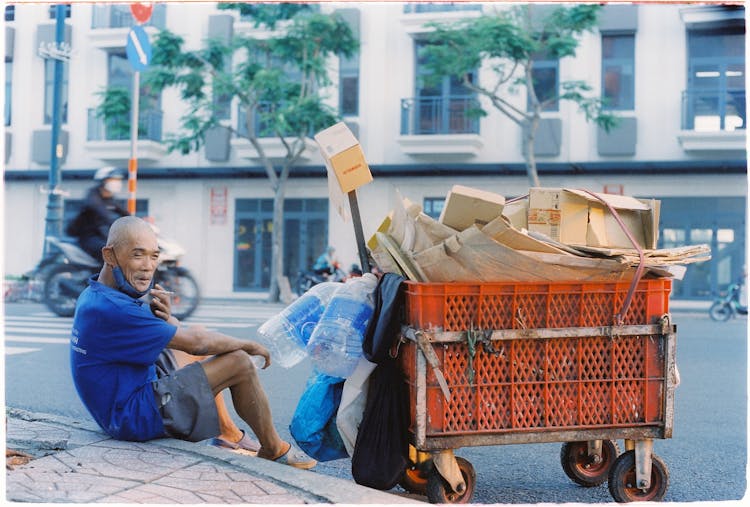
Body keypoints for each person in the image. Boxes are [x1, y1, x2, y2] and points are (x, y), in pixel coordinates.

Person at [70, 216, 316, 469]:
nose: (147, 266)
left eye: (154, 256)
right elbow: (196, 343)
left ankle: (228, 436)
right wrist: (247, 345)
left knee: (199, 338)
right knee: (239, 362)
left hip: (121, 400)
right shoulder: (115, 308)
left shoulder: (97, 294)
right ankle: (273, 449)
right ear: (110, 256)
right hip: (130, 417)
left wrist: (168, 319)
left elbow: (183, 336)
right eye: (137, 255)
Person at [67, 167, 129, 263]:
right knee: (109, 253)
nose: (117, 183)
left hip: (101, 234)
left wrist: (139, 223)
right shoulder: (93, 196)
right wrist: (115, 224)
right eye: (113, 180)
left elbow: (124, 213)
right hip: (88, 236)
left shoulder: (110, 198)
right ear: (103, 181)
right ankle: (100, 277)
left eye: (118, 180)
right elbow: (101, 212)